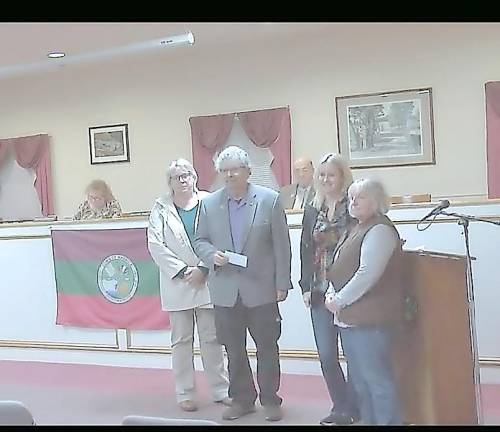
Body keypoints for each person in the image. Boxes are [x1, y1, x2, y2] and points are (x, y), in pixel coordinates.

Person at [193, 146, 292, 422]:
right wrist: (211, 256)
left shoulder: (269, 200)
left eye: (234, 169)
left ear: (248, 171)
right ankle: (242, 399)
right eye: (224, 171)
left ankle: (271, 400)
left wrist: (282, 282)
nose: (229, 175)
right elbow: (199, 240)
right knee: (233, 350)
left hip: (261, 289)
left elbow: (282, 247)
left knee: (267, 348)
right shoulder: (209, 203)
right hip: (225, 290)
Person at [147, 158, 230, 412]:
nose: (182, 180)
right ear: (169, 183)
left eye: (186, 175)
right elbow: (155, 245)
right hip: (177, 282)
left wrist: (204, 269)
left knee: (212, 338)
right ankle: (185, 393)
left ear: (195, 178)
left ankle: (220, 390)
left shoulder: (210, 201)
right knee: (181, 340)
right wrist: (184, 271)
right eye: (176, 177)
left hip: (207, 279)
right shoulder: (160, 207)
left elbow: (221, 235)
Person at [325, 178, 404, 425]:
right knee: (360, 383)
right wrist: (331, 292)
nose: (353, 201)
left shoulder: (379, 229)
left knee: (377, 381)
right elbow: (339, 266)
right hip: (351, 317)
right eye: (350, 197)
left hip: (370, 319)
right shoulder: (357, 227)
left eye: (361, 196)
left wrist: (339, 300)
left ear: (377, 200)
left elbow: (367, 274)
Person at [298, 153, 358, 425]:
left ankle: (355, 407)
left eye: (330, 175)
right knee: (326, 355)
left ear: (343, 176)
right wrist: (305, 286)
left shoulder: (355, 204)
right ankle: (340, 406)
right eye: (321, 175)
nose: (325, 179)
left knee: (355, 355)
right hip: (320, 290)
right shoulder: (313, 207)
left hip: (351, 291)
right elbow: (305, 249)